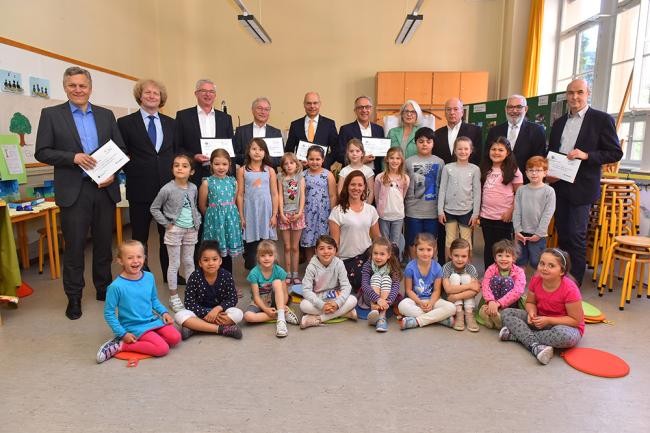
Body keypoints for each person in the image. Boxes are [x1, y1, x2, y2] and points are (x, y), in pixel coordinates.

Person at [35, 66, 126, 320]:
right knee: (74, 248)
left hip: (104, 189)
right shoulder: (52, 114)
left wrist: (112, 174)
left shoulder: (106, 115)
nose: (78, 90)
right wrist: (72, 157)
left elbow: (119, 149)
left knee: (103, 246)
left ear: (90, 87)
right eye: (72, 85)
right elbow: (41, 151)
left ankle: (103, 288)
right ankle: (73, 297)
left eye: (82, 85)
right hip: (74, 191)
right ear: (65, 87)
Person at [547, 79, 623, 285]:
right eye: (570, 93)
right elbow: (552, 153)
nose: (574, 97)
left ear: (588, 93)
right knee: (562, 235)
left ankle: (573, 284)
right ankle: (560, 280)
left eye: (579, 92)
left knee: (576, 236)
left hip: (583, 188)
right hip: (559, 186)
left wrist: (587, 155)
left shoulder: (601, 119)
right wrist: (549, 172)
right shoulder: (559, 123)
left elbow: (615, 152)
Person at [118, 79, 175, 279]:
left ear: (161, 98)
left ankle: (171, 273)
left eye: (156, 93)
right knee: (139, 236)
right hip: (139, 188)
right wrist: (133, 168)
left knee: (167, 236)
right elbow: (120, 153)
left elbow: (175, 153)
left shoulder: (171, 123)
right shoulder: (125, 123)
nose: (152, 96)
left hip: (167, 190)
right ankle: (139, 273)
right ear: (140, 96)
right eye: (147, 93)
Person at [96, 240, 181, 363]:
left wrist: (164, 313)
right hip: (133, 326)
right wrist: (123, 333)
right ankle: (119, 346)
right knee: (162, 349)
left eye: (139, 256)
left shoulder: (149, 277)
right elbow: (109, 314)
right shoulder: (116, 287)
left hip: (152, 320)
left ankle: (145, 340)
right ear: (120, 261)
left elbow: (153, 300)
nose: (135, 261)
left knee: (175, 338)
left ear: (144, 258)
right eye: (130, 258)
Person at [500, 248, 584, 365]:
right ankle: (535, 346)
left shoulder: (570, 289)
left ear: (561, 271)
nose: (544, 268)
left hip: (564, 325)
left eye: (551, 266)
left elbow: (576, 320)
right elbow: (530, 302)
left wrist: (548, 320)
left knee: (565, 337)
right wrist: (531, 312)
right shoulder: (536, 279)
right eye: (542, 263)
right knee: (506, 313)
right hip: (540, 319)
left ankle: (517, 336)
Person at [150, 154, 201, 312]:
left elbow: (194, 206)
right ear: (172, 169)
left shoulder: (193, 188)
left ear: (191, 171)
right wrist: (167, 224)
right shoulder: (167, 188)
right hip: (174, 230)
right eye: (177, 165)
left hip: (191, 229)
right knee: (175, 264)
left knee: (189, 262)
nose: (180, 168)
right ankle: (173, 297)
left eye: (185, 166)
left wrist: (197, 220)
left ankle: (192, 295)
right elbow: (154, 208)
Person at [175, 240, 244, 340]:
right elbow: (189, 303)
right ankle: (221, 329)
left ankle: (196, 327)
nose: (211, 263)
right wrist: (206, 313)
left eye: (214, 259)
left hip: (220, 313)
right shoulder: (195, 276)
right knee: (179, 315)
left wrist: (217, 309)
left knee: (238, 314)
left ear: (220, 261)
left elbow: (233, 298)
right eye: (206, 260)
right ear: (200, 262)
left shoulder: (226, 276)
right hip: (199, 313)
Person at [174, 79, 233, 187]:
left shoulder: (225, 118)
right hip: (193, 172)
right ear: (196, 94)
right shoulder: (183, 116)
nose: (208, 94)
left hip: (220, 174)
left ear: (215, 95)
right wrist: (194, 156)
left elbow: (231, 145)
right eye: (204, 91)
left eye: (211, 92)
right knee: (195, 203)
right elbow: (177, 146)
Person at [329, 170, 381, 291]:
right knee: (360, 281)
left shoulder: (370, 210)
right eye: (352, 184)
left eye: (359, 185)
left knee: (392, 249)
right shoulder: (337, 211)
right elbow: (334, 244)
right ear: (346, 186)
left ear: (364, 187)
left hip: (368, 257)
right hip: (348, 259)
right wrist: (335, 270)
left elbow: (378, 238)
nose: (356, 188)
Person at [479, 137, 523, 269]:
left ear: (507, 153)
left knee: (503, 249)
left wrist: (510, 211)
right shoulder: (484, 169)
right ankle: (489, 273)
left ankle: (503, 274)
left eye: (500, 150)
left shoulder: (514, 171)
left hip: (504, 217)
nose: (496, 152)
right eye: (493, 149)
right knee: (489, 247)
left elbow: (520, 195)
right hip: (486, 216)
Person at [198, 148, 243, 273]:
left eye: (224, 164)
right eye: (217, 164)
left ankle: (227, 283)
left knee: (227, 255)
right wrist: (214, 217)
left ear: (229, 165)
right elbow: (202, 205)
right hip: (214, 223)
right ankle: (212, 282)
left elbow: (232, 202)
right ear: (211, 164)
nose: (221, 167)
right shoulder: (207, 182)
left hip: (229, 222)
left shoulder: (233, 181)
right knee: (214, 252)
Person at [236, 138, 279, 270]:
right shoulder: (243, 170)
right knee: (251, 246)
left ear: (265, 153)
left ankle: (267, 272)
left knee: (265, 244)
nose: (257, 152)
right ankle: (253, 271)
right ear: (248, 151)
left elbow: (274, 193)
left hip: (266, 212)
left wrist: (274, 215)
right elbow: (240, 194)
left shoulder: (270, 171)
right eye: (254, 149)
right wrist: (241, 216)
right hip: (250, 211)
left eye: (261, 149)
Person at [398, 233, 456, 330]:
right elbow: (408, 290)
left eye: (429, 250)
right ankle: (440, 319)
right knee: (402, 305)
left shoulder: (437, 267)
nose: (425, 253)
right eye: (421, 249)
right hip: (415, 301)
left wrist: (431, 303)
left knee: (452, 308)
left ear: (434, 250)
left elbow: (437, 291)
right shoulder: (410, 267)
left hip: (432, 301)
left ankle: (416, 321)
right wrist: (420, 302)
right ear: (415, 249)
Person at [243, 240, 300, 338]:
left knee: (277, 282)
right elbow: (256, 297)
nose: (266, 258)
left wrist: (282, 305)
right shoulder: (254, 273)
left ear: (275, 257)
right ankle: (280, 314)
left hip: (276, 300)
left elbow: (285, 294)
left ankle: (281, 321)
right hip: (260, 302)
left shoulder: (279, 271)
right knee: (248, 316)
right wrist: (265, 309)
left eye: (270, 255)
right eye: (263, 255)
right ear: (258, 257)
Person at [299, 235, 358, 329]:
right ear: (316, 251)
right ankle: (345, 313)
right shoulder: (311, 266)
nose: (326, 251)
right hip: (319, 298)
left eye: (330, 248)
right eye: (321, 248)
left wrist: (338, 303)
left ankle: (318, 319)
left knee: (353, 300)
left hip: (334, 297)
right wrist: (321, 305)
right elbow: (306, 290)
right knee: (303, 305)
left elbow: (346, 286)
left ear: (335, 250)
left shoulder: (339, 263)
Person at [437, 136, 481, 260]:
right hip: (448, 211)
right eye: (459, 149)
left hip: (466, 211)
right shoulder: (448, 168)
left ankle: (468, 269)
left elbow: (477, 192)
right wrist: (440, 211)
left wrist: (475, 214)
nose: (463, 152)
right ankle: (448, 267)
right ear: (455, 150)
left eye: (466, 149)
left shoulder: (474, 169)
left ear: (471, 150)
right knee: (449, 240)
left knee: (466, 240)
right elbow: (442, 190)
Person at [485, 94, 546, 182]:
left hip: (526, 183)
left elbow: (539, 160)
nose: (514, 110)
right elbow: (487, 157)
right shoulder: (494, 131)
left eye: (519, 107)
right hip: (497, 183)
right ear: (506, 109)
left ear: (526, 109)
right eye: (510, 107)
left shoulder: (537, 131)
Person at [404, 127, 445, 259]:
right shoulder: (408, 162)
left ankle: (430, 270)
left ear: (433, 143)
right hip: (412, 211)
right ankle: (414, 269)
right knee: (412, 242)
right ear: (416, 143)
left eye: (428, 141)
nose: (425, 144)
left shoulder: (440, 162)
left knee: (431, 243)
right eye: (421, 141)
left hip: (432, 213)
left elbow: (442, 186)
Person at [513, 156, 556, 269]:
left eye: (538, 170)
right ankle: (519, 285)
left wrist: (539, 233)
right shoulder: (521, 190)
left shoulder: (549, 191)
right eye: (531, 170)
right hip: (521, 233)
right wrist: (517, 230)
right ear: (526, 172)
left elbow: (548, 214)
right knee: (519, 261)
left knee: (537, 262)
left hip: (538, 235)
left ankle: (538, 286)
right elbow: (517, 211)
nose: (534, 173)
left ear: (545, 172)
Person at [478, 239, 526, 330]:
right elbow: (485, 285)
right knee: (495, 279)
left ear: (513, 258)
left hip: (510, 303)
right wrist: (491, 301)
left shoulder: (519, 271)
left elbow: (517, 291)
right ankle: (491, 315)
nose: (503, 259)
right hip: (492, 302)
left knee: (507, 280)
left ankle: (498, 315)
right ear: (495, 258)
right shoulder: (491, 269)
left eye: (507, 256)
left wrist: (499, 303)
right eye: (500, 255)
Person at [301, 145, 337, 262]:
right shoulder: (303, 175)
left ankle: (324, 267)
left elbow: (332, 195)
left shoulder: (328, 175)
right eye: (311, 159)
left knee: (323, 240)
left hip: (324, 213)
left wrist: (332, 213)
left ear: (323, 160)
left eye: (317, 159)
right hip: (308, 213)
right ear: (306, 159)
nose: (314, 162)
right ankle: (310, 267)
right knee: (309, 240)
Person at [358, 237, 403, 332]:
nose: (378, 257)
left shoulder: (392, 266)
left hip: (386, 300)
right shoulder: (368, 265)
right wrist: (377, 299)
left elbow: (395, 287)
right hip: (370, 298)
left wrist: (388, 301)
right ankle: (373, 310)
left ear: (389, 255)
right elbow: (365, 284)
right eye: (375, 253)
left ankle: (382, 316)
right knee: (376, 276)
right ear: (371, 253)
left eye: (382, 254)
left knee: (386, 278)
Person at [285, 92, 339, 168]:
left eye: (315, 103)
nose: (312, 106)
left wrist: (322, 163)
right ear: (304, 104)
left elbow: (336, 150)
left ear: (320, 104)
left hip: (322, 171)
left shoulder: (329, 124)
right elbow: (288, 151)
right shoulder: (295, 125)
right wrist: (296, 163)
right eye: (309, 103)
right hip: (300, 172)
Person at [277, 152, 306, 285]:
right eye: (286, 164)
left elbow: (302, 196)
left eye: (291, 163)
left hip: (297, 214)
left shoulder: (300, 177)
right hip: (285, 215)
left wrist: (300, 213)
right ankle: (287, 273)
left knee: (295, 247)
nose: (289, 166)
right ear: (282, 166)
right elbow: (280, 197)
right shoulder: (280, 178)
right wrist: (281, 214)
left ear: (296, 164)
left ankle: (295, 273)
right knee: (287, 246)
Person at [442, 238, 481, 332]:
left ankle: (468, 313)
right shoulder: (446, 267)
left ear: (468, 256)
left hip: (455, 298)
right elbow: (448, 289)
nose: (460, 259)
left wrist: (455, 297)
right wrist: (469, 286)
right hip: (450, 301)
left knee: (466, 277)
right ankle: (459, 312)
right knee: (455, 276)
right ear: (450, 255)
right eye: (456, 255)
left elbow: (475, 290)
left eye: (463, 256)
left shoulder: (471, 268)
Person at [338, 96, 385, 172]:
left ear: (371, 109)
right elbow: (340, 155)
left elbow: (382, 154)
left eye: (367, 107)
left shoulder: (379, 129)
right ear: (355, 111)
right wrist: (360, 160)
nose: (364, 110)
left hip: (375, 174)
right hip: (353, 173)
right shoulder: (345, 129)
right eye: (360, 107)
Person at [233, 97, 283, 169]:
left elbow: (280, 159)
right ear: (252, 110)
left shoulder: (276, 132)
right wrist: (252, 158)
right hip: (246, 175)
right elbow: (235, 156)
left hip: (269, 176)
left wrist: (262, 159)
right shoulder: (241, 131)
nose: (263, 112)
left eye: (266, 109)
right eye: (259, 108)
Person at [374, 147, 409, 251]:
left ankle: (395, 264)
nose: (395, 161)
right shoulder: (379, 177)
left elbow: (403, 195)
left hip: (398, 216)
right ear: (387, 159)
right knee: (384, 242)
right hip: (383, 215)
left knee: (395, 243)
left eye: (398, 158)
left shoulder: (405, 178)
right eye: (392, 158)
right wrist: (380, 210)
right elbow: (376, 196)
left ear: (402, 160)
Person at [433, 97, 483, 165]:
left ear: (462, 112)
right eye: (448, 109)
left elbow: (479, 157)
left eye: (455, 109)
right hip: (444, 173)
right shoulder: (437, 133)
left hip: (468, 173)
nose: (452, 112)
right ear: (445, 113)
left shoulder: (475, 131)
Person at [337, 138, 375, 204]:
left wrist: (367, 207)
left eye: (357, 151)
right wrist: (345, 204)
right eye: (351, 151)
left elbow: (371, 191)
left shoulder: (368, 171)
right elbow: (340, 191)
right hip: (347, 206)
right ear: (347, 153)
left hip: (363, 206)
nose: (354, 154)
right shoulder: (344, 171)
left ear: (362, 153)